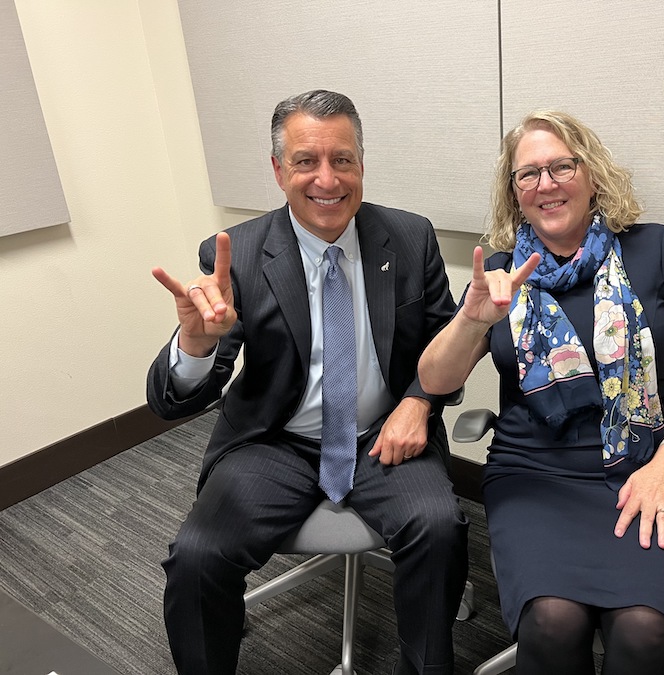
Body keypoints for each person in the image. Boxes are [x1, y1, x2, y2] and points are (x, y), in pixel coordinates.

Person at [147, 90, 468, 675]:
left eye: (342, 159)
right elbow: (177, 400)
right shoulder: (238, 256)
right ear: (277, 170)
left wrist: (420, 402)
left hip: (383, 434)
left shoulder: (411, 236)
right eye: (305, 161)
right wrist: (197, 344)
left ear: (361, 165)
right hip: (276, 440)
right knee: (196, 557)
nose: (327, 179)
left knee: (439, 528)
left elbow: (447, 342)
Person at [418, 110, 664, 674]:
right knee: (552, 622)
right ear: (514, 194)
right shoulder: (502, 272)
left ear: (591, 175)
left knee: (643, 627)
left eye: (562, 166)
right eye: (528, 174)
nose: (546, 183)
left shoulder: (654, 249)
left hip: (654, 463)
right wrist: (472, 320)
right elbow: (437, 381)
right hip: (537, 473)